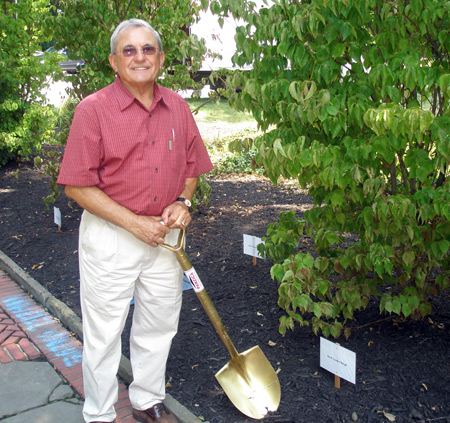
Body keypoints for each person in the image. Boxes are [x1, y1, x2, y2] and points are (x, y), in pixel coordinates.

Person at [57, 18, 213, 423]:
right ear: (114, 61)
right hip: (112, 237)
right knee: (104, 333)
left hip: (165, 237)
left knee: (158, 325)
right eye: (129, 50)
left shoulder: (177, 105)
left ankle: (147, 399)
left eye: (147, 49)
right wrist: (134, 223)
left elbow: (193, 164)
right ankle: (100, 413)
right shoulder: (93, 110)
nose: (139, 57)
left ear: (160, 58)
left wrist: (184, 200)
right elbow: (76, 186)